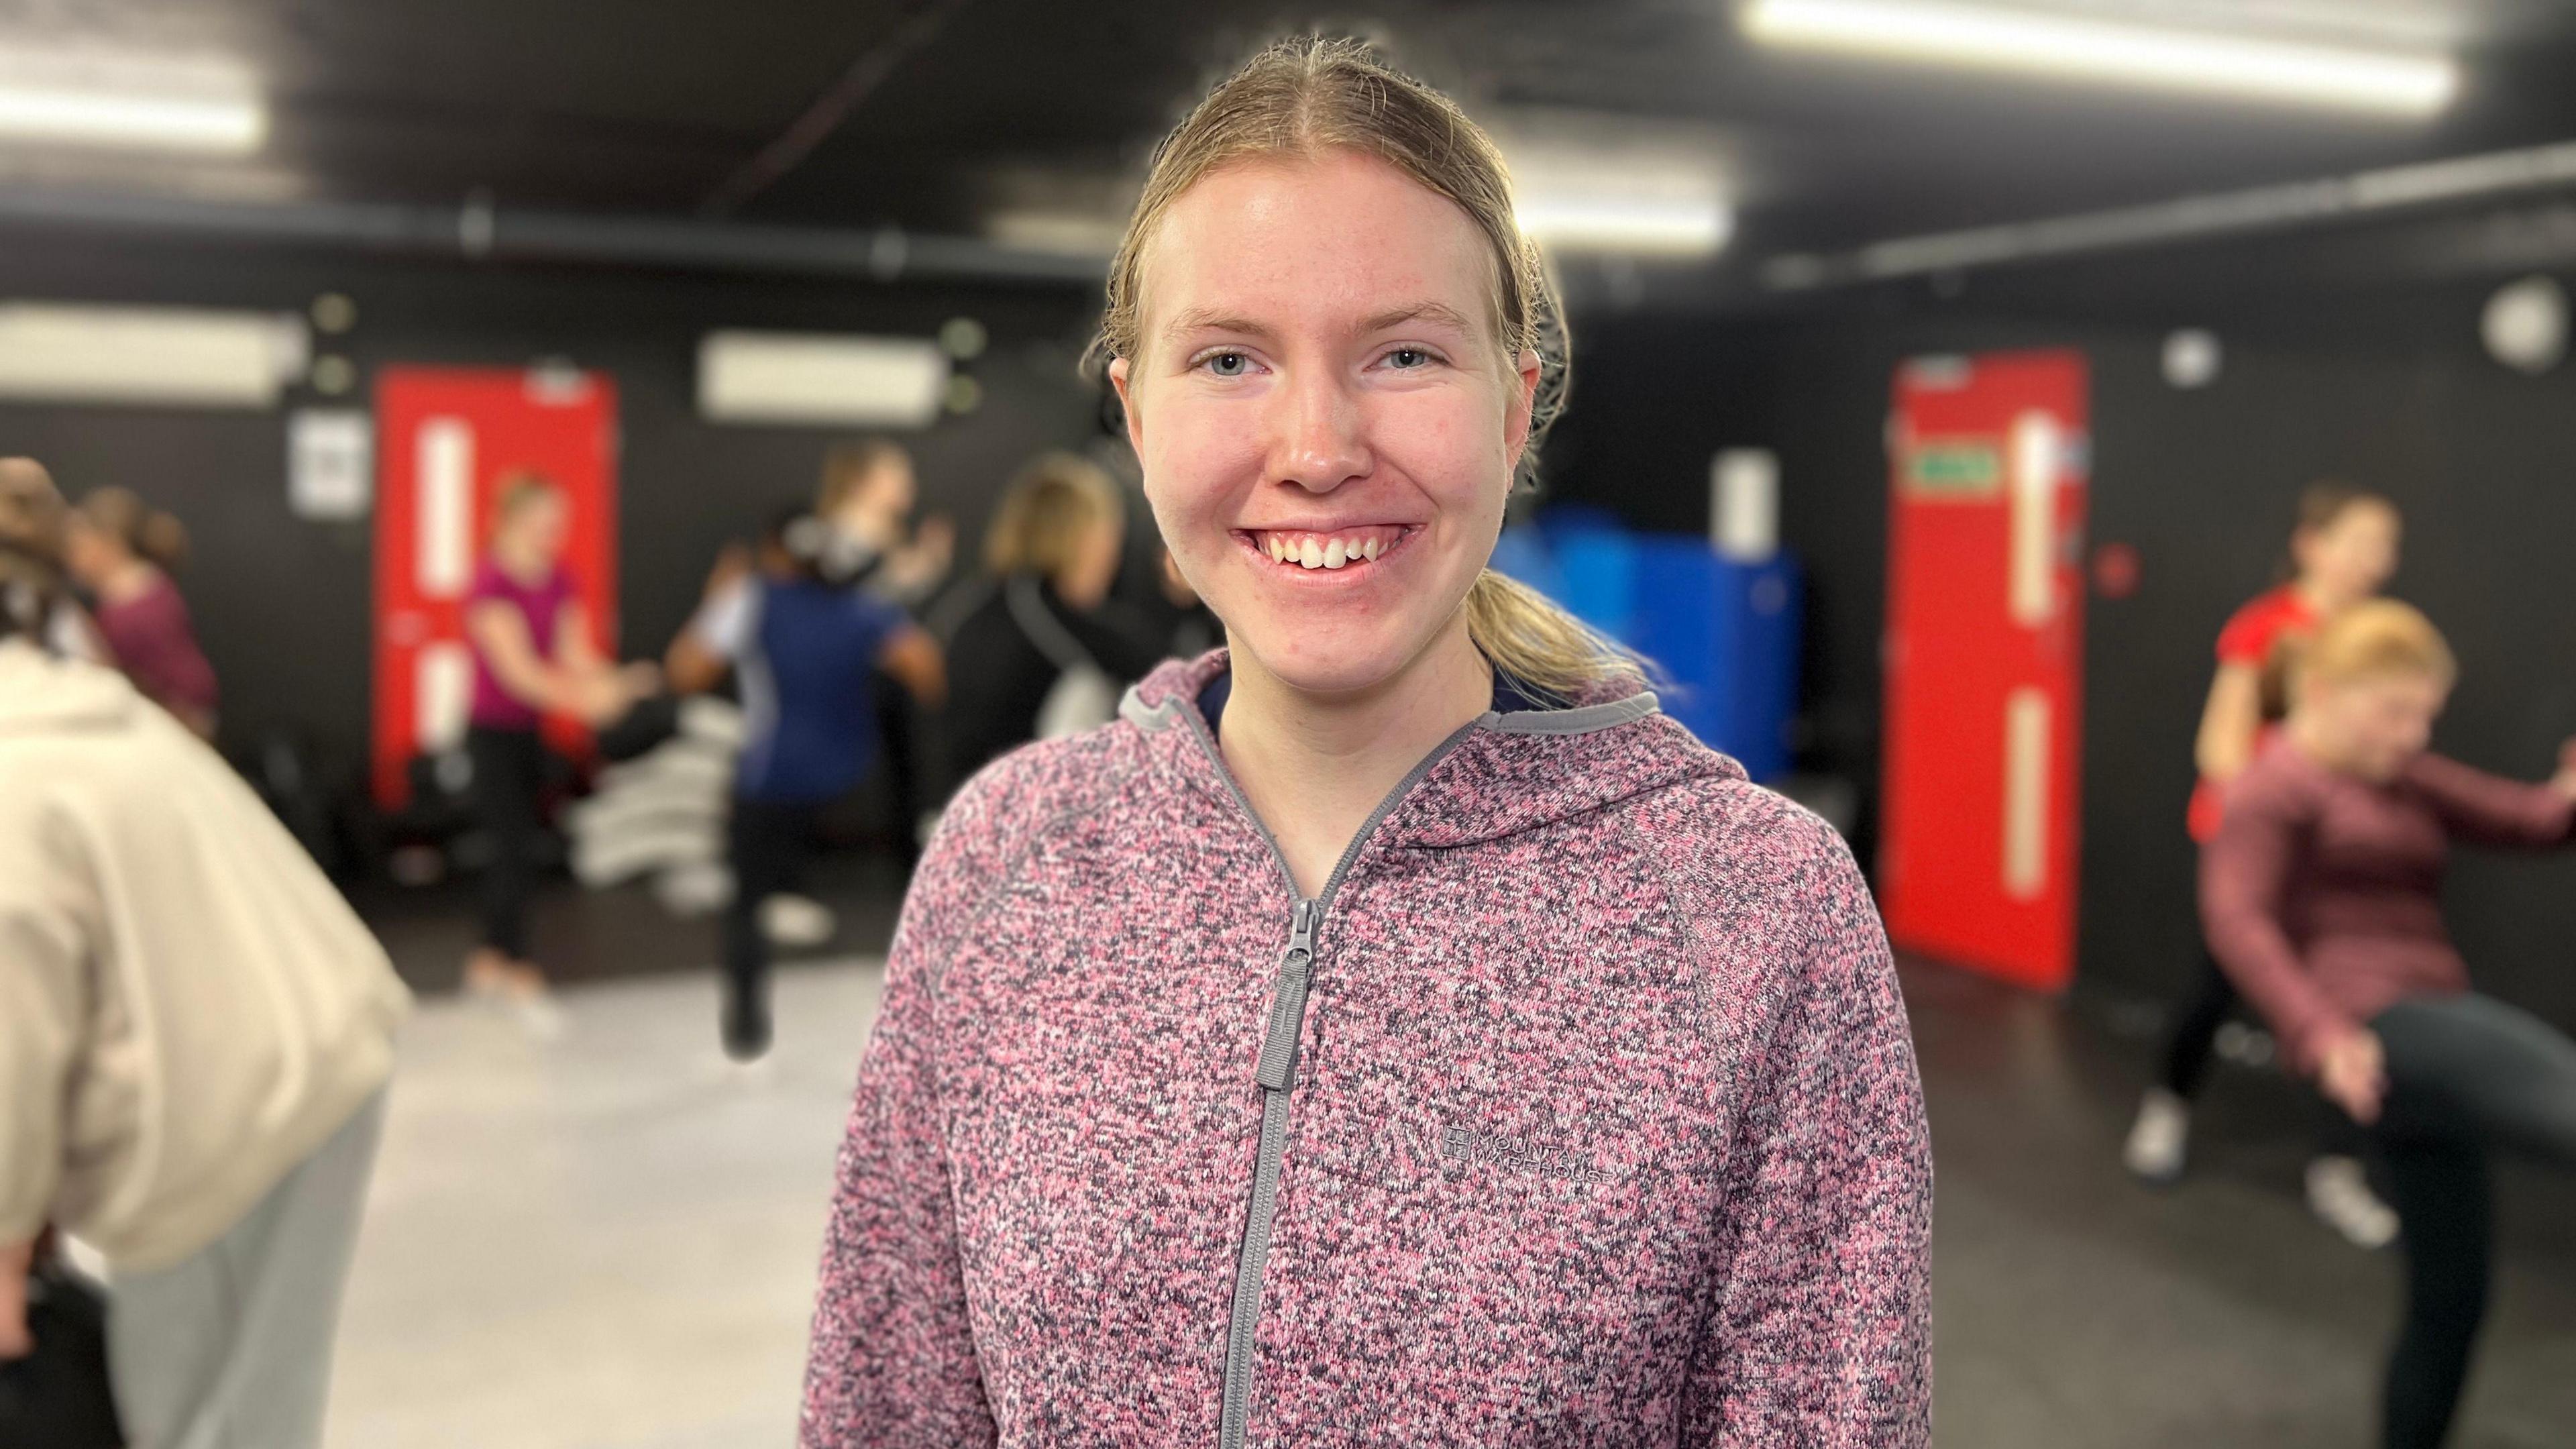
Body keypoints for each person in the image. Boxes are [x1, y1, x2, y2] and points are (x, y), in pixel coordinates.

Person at [800, 37, 1931, 1447]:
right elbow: (888, 1414)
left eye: (1402, 353)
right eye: (1229, 358)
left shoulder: (1759, 919)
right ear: (1138, 416)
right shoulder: (1005, 862)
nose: (1318, 443)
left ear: (1515, 411)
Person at [0, 472, 410, 1449]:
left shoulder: (16, 774)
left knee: (210, 1421)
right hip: (301, 1042)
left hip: (245, 1106)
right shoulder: (75, 705)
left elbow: (13, 1026)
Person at [2200, 600, 2576, 1449]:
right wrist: (2320, 1033)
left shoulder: (2399, 773)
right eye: (2394, 711)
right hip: (2374, 1030)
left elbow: (2528, 820)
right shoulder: (2275, 785)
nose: (2413, 732)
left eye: (2425, 715)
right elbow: (2237, 919)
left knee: (2453, 1295)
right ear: (2325, 690)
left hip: (2420, 1046)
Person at [2127, 484, 2404, 1242]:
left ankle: (2339, 1170)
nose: (2378, 560)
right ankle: (2166, 1113)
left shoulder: (2382, 639)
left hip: (2333, 861)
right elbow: (2219, 751)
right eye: (2363, 541)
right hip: (2254, 850)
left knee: (2341, 1007)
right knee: (2218, 987)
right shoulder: (2266, 628)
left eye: (2387, 546)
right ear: (2313, 544)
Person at [667, 508, 945, 1061]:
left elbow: (686, 671)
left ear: (772, 550)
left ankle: (746, 1028)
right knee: (907, 896)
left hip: (773, 779)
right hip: (853, 785)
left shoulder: (750, 597)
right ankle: (922, 1026)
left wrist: (714, 602)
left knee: (744, 904)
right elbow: (925, 668)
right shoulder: (862, 608)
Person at [460, 472, 653, 1011]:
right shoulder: (489, 584)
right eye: (545, 523)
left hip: (531, 733)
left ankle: (500, 953)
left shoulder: (560, 578)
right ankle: (502, 957)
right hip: (491, 733)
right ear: (513, 520)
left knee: (526, 846)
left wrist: (614, 682)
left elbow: (573, 653)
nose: (554, 533)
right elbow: (520, 674)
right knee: (509, 846)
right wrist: (586, 701)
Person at [936, 450, 1165, 788]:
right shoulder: (1039, 613)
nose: (1112, 555)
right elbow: (1150, 669)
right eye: (1108, 537)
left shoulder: (973, 607)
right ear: (1081, 539)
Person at [63, 485, 221, 739]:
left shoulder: (126, 607)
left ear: (109, 543)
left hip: (180, 720)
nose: (73, 557)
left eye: (80, 544)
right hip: (189, 713)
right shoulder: (150, 582)